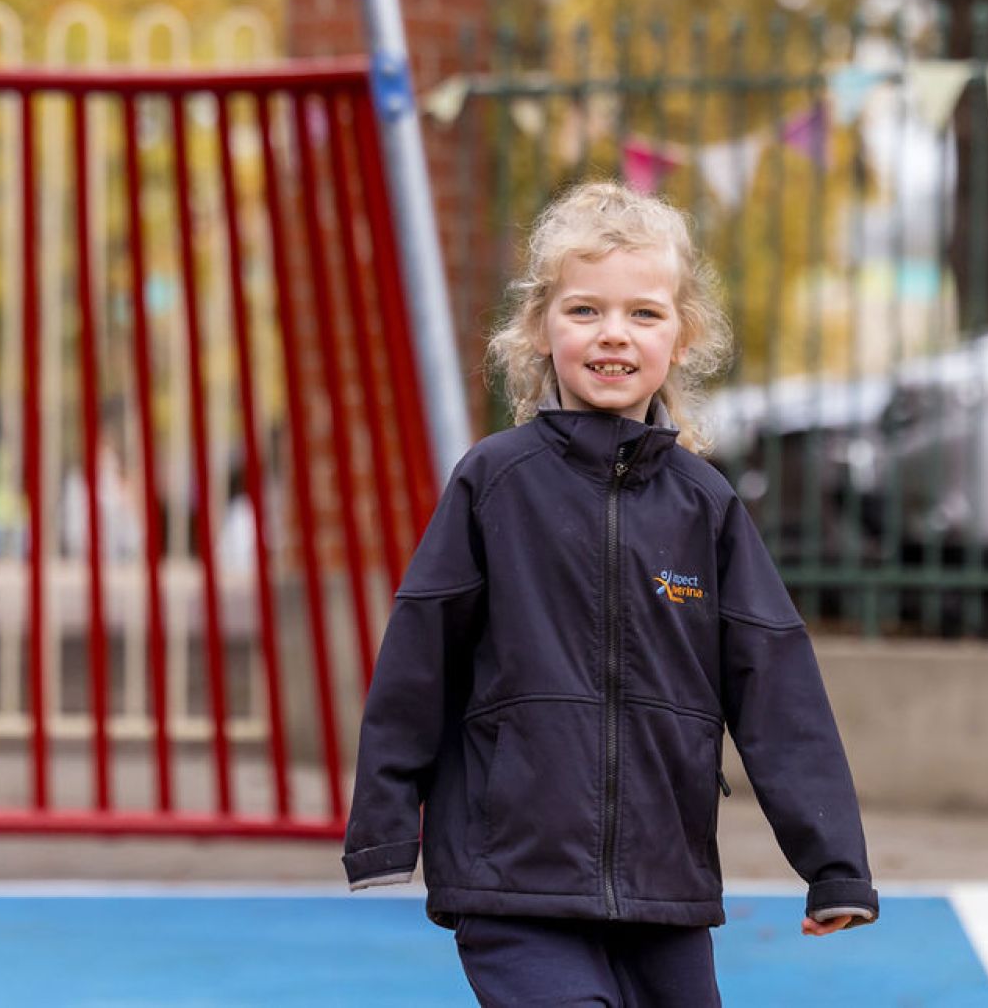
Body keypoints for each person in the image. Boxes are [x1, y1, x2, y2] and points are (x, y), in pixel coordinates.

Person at [342, 181, 877, 1006]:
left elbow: (775, 683)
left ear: (683, 336)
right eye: (585, 310)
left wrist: (833, 861)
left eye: (644, 314)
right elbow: (421, 652)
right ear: (539, 329)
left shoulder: (707, 504)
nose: (613, 335)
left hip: (666, 884)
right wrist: (383, 825)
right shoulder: (495, 481)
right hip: (512, 876)